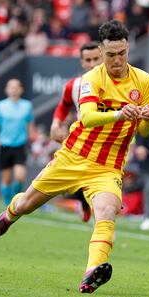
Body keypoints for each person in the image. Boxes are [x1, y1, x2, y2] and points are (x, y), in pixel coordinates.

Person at [0, 20, 149, 293]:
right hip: (74, 156)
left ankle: (91, 272)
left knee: (107, 211)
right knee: (26, 204)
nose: (117, 60)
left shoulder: (145, 81)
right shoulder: (92, 79)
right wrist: (119, 113)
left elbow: (147, 131)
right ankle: (10, 213)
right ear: (102, 53)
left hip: (109, 165)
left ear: (128, 49)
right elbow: (88, 118)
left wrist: (147, 118)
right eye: (111, 54)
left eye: (122, 53)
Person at [50, 41, 102, 222]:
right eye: (88, 59)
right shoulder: (74, 86)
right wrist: (55, 124)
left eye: (96, 58)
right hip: (84, 139)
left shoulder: (116, 83)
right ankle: (83, 202)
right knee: (78, 177)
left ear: (102, 57)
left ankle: (101, 217)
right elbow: (63, 107)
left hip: (109, 141)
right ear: (82, 62)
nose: (92, 63)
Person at [0, 79, 35, 206]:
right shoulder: (0, 106)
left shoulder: (27, 105)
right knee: (6, 179)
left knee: (19, 176)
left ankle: (15, 199)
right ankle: (8, 204)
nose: (13, 90)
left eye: (16, 87)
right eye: (11, 87)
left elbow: (30, 124)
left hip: (20, 145)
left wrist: (33, 140)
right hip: (4, 146)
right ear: (6, 90)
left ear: (21, 90)